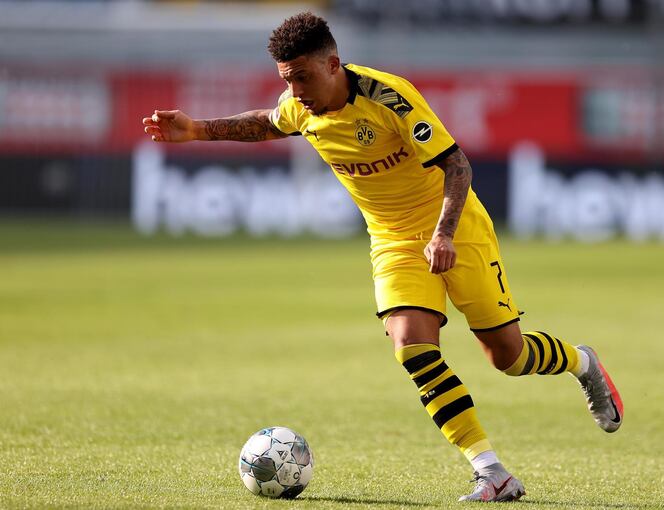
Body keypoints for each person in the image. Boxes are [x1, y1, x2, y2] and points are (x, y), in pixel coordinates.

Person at [142, 12, 623, 503]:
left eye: (303, 77)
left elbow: (458, 165)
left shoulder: (388, 97)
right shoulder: (300, 107)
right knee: (412, 347)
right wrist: (196, 128)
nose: (296, 90)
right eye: (287, 79)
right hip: (392, 239)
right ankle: (492, 472)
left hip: (454, 228)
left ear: (333, 64)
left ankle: (582, 362)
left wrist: (443, 235)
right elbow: (267, 121)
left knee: (509, 356)